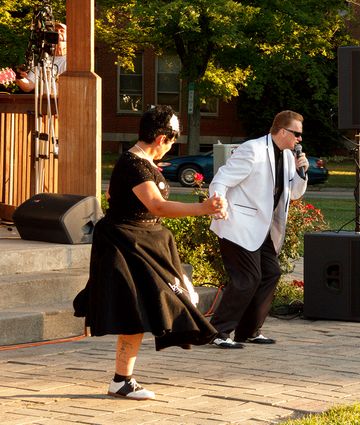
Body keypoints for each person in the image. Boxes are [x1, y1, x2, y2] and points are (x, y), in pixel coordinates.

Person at [73, 105, 227, 400]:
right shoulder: (132, 164)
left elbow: (113, 196)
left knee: (151, 305)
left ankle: (122, 379)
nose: (170, 149)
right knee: (137, 308)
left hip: (146, 241)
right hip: (126, 244)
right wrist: (203, 208)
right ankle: (122, 380)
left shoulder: (141, 164)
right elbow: (156, 206)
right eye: (171, 142)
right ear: (160, 138)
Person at [207, 110, 309, 348]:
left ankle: (249, 330)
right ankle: (218, 332)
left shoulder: (286, 157)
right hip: (237, 225)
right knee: (248, 278)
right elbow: (221, 179)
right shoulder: (252, 150)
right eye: (297, 134)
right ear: (283, 131)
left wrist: (302, 172)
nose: (300, 139)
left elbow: (293, 193)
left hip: (262, 229)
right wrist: (217, 203)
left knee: (270, 273)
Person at [15, 22, 66, 93]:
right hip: (47, 103)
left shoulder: (73, 60)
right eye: (55, 31)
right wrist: (19, 76)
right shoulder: (42, 60)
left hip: (68, 101)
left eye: (62, 31)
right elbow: (28, 86)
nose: (58, 33)